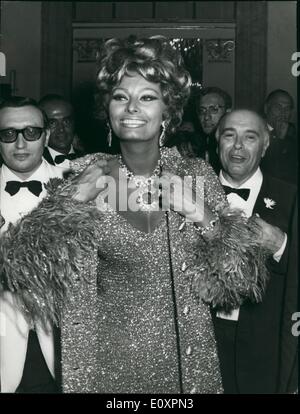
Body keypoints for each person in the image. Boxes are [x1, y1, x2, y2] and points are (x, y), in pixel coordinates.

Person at [0, 37, 269, 393]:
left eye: (147, 97)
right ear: (107, 110)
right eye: (120, 97)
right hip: (102, 369)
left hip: (185, 367)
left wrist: (202, 215)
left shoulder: (197, 177)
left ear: (168, 111)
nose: (132, 108)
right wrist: (73, 200)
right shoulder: (83, 177)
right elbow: (21, 273)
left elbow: (243, 282)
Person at [214, 109, 297, 393]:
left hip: (265, 349)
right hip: (202, 343)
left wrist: (281, 245)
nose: (238, 146)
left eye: (250, 137)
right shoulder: (191, 193)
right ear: (217, 140)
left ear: (265, 145)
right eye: (229, 135)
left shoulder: (292, 197)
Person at [0, 96, 63, 393]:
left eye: (31, 132)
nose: (21, 144)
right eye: (9, 134)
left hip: (62, 346)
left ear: (46, 135)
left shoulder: (76, 184)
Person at [38, 94, 84, 173]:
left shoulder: (91, 160)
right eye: (52, 123)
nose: (61, 129)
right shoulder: (35, 163)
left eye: (66, 121)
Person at [261, 89, 297, 184]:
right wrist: (279, 140)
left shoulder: (294, 134)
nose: (283, 112)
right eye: (278, 107)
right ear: (266, 108)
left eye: (287, 108)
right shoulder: (255, 131)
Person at [194, 87, 232, 173]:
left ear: (228, 112)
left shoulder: (236, 147)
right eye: (202, 110)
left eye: (214, 109)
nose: (206, 117)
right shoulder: (196, 147)